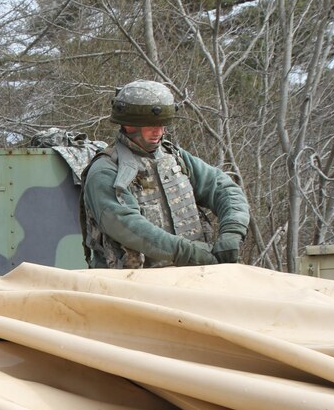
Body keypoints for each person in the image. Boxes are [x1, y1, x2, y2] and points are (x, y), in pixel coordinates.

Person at [80, 80, 250, 269]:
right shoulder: (106, 170)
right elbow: (126, 225)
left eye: (162, 125)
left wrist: (232, 231)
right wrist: (188, 252)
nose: (159, 132)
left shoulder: (175, 158)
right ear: (129, 124)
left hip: (192, 277)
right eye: (151, 125)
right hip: (132, 286)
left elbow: (224, 188)